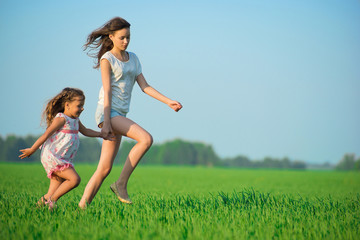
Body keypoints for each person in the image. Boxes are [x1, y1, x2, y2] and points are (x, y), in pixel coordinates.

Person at [79, 17, 182, 208]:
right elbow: (107, 90)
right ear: (111, 36)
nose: (126, 41)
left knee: (104, 168)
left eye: (128, 38)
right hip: (108, 113)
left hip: (120, 115)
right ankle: (121, 184)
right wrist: (107, 122)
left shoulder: (133, 58)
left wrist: (168, 101)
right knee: (146, 139)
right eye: (122, 38)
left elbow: (145, 86)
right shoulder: (107, 59)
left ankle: (82, 207)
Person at [19, 87, 113, 210]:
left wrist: (101, 134)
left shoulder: (75, 120)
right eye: (79, 106)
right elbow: (46, 135)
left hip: (63, 159)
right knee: (75, 179)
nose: (82, 109)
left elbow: (86, 131)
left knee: (51, 192)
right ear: (67, 105)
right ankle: (53, 201)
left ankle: (34, 210)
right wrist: (32, 149)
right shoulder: (61, 119)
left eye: (82, 106)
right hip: (53, 157)